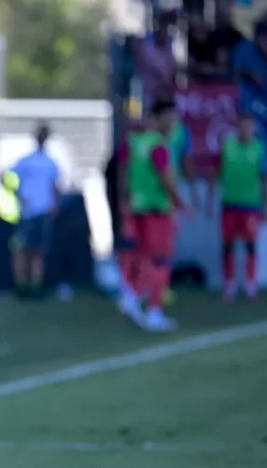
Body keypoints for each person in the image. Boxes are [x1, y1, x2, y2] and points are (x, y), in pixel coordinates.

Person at [119, 98, 191, 331]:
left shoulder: (138, 142)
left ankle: (132, 297)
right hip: (157, 210)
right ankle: (152, 310)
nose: (174, 123)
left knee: (144, 257)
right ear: (158, 118)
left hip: (139, 208)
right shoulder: (159, 145)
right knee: (160, 260)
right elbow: (166, 178)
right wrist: (182, 204)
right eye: (170, 117)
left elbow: (125, 173)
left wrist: (125, 199)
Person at [217, 112, 267, 301]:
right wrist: (207, 199)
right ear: (237, 127)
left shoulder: (259, 148)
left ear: (254, 129)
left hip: (251, 206)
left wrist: (266, 206)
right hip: (229, 204)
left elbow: (264, 179)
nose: (246, 130)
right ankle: (229, 285)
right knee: (228, 246)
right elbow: (216, 171)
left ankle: (250, 285)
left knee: (250, 247)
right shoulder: (228, 146)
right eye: (243, 126)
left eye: (250, 127)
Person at [10, 123, 61, 298]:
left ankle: (35, 284)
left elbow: (55, 186)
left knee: (39, 250)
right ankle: (22, 284)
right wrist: (19, 196)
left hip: (43, 211)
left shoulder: (50, 162)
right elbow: (8, 177)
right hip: (27, 211)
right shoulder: (25, 161)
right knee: (22, 249)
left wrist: (54, 204)